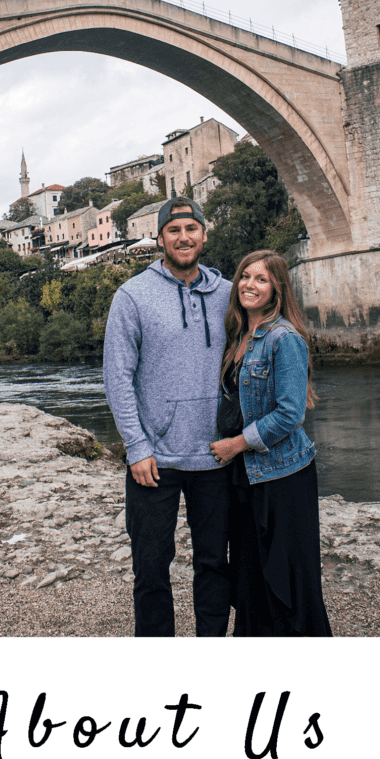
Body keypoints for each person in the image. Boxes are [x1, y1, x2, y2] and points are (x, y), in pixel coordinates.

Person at [103, 197, 232, 637]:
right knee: (152, 569)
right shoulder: (132, 296)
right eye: (173, 231)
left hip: (215, 454)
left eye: (191, 229)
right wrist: (137, 448)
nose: (183, 238)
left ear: (203, 235)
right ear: (160, 239)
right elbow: (117, 377)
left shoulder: (229, 295)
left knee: (215, 562)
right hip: (152, 461)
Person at [209, 250, 332, 637]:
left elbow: (290, 414)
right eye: (245, 275)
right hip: (246, 475)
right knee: (250, 571)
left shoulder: (284, 339)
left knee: (289, 576)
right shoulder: (237, 337)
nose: (249, 284)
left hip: (283, 474)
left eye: (261, 279)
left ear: (277, 288)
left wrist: (235, 445)